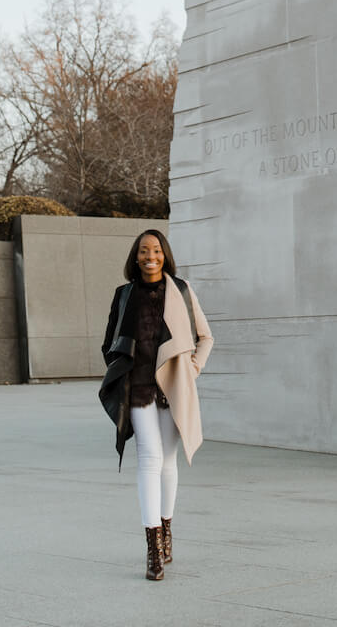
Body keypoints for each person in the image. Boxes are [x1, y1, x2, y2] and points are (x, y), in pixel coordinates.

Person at [98, 229, 213, 581]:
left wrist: (192, 368)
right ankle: (152, 549)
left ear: (165, 255)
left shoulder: (180, 289)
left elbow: (205, 336)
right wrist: (119, 372)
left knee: (167, 461)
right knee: (148, 458)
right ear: (136, 256)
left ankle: (166, 530)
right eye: (145, 250)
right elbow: (109, 344)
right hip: (138, 388)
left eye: (157, 250)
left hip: (173, 387)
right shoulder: (124, 294)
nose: (151, 256)